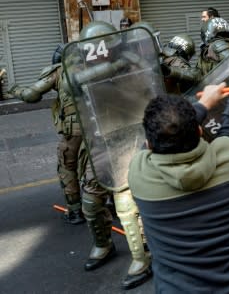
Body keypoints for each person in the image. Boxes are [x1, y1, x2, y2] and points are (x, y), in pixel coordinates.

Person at [128, 80, 229, 294]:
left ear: (149, 145)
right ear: (200, 131)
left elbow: (152, 143)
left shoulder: (139, 174)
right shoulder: (228, 158)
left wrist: (203, 105)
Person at [71, 21, 152, 290]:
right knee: (91, 203)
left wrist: (118, 69)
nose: (95, 54)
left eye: (99, 49)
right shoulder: (82, 69)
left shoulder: (132, 64)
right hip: (100, 145)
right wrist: (107, 69)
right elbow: (74, 84)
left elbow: (141, 94)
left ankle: (142, 257)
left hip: (129, 140)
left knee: (126, 207)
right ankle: (103, 244)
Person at [8, 44, 85, 225]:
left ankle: (75, 211)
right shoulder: (97, 67)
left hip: (75, 131)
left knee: (67, 166)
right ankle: (110, 202)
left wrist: (13, 88)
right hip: (101, 125)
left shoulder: (59, 71)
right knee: (103, 164)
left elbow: (31, 95)